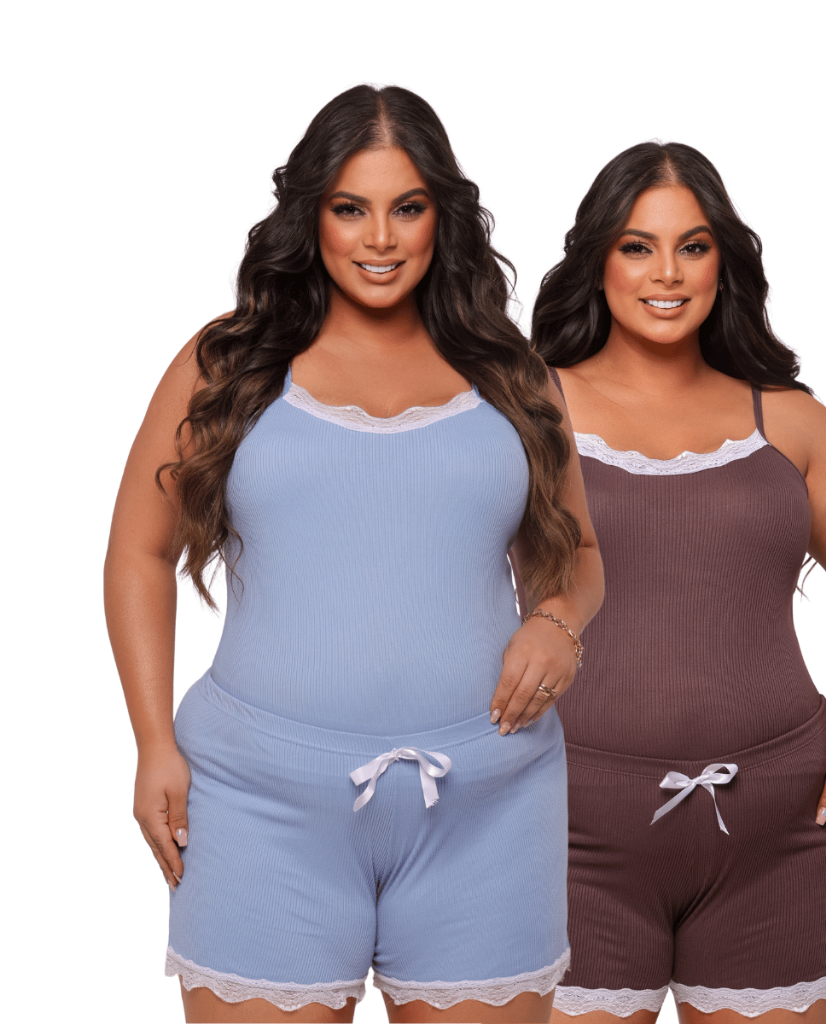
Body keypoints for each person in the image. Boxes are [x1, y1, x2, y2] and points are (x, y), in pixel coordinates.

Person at [104, 84, 603, 1024]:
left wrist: (558, 620)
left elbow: (574, 552)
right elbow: (138, 551)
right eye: (350, 208)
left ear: (442, 217)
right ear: (312, 215)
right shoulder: (227, 364)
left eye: (406, 208)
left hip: (492, 804)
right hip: (257, 805)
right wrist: (152, 743)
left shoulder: (512, 375)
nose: (380, 238)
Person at [530, 142, 826, 1023]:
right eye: (637, 247)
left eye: (693, 246)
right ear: (597, 260)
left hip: (781, 836)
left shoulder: (792, 424)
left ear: (724, 263)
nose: (666, 274)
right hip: (566, 833)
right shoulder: (523, 410)